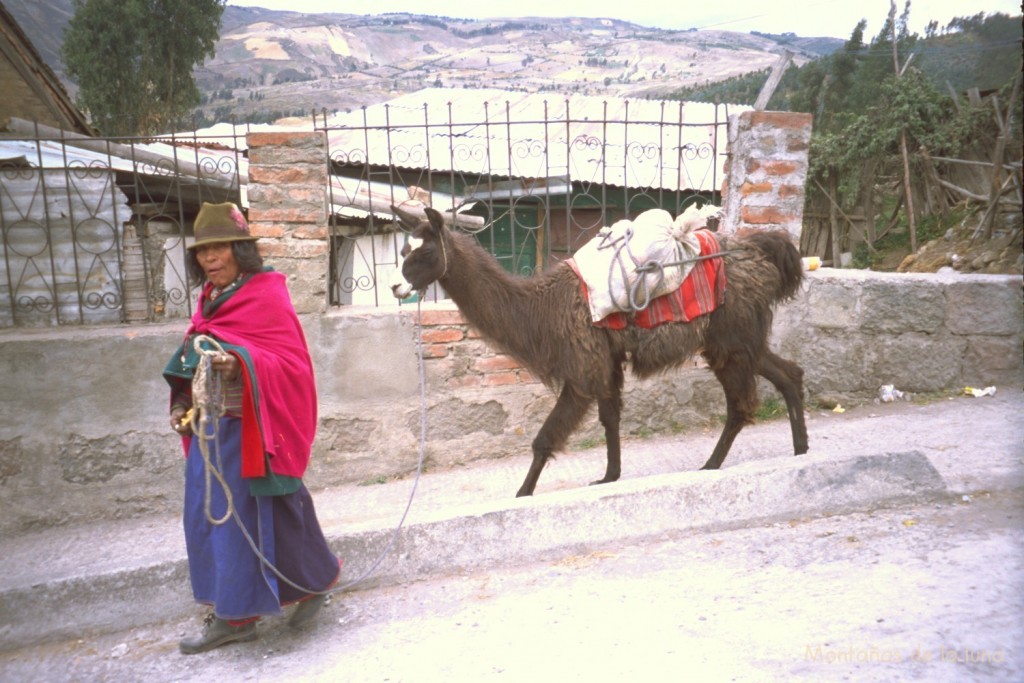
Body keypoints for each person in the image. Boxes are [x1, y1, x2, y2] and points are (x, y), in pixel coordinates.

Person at [163, 201, 341, 655]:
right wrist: (183, 398)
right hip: (213, 430)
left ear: (241, 249)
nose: (210, 259)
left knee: (269, 510)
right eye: (203, 251)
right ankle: (249, 607)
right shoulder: (210, 298)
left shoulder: (265, 293)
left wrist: (238, 361)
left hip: (255, 428)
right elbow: (194, 346)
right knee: (212, 516)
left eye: (220, 248)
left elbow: (290, 362)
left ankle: (259, 607)